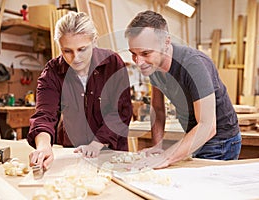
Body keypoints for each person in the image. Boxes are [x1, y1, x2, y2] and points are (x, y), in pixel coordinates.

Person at [125, 10, 241, 169]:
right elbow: (158, 110)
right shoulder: (153, 67)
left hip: (219, 139)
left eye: (145, 53)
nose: (139, 62)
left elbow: (208, 126)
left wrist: (166, 157)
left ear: (166, 42)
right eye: (133, 54)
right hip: (194, 133)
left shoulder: (194, 65)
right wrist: (157, 147)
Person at [28, 11, 132, 170]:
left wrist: (96, 144)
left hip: (111, 152)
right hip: (73, 152)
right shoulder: (52, 71)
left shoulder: (112, 63)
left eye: (82, 49)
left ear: (94, 41)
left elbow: (121, 110)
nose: (75, 58)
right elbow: (44, 114)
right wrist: (43, 146)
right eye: (67, 51)